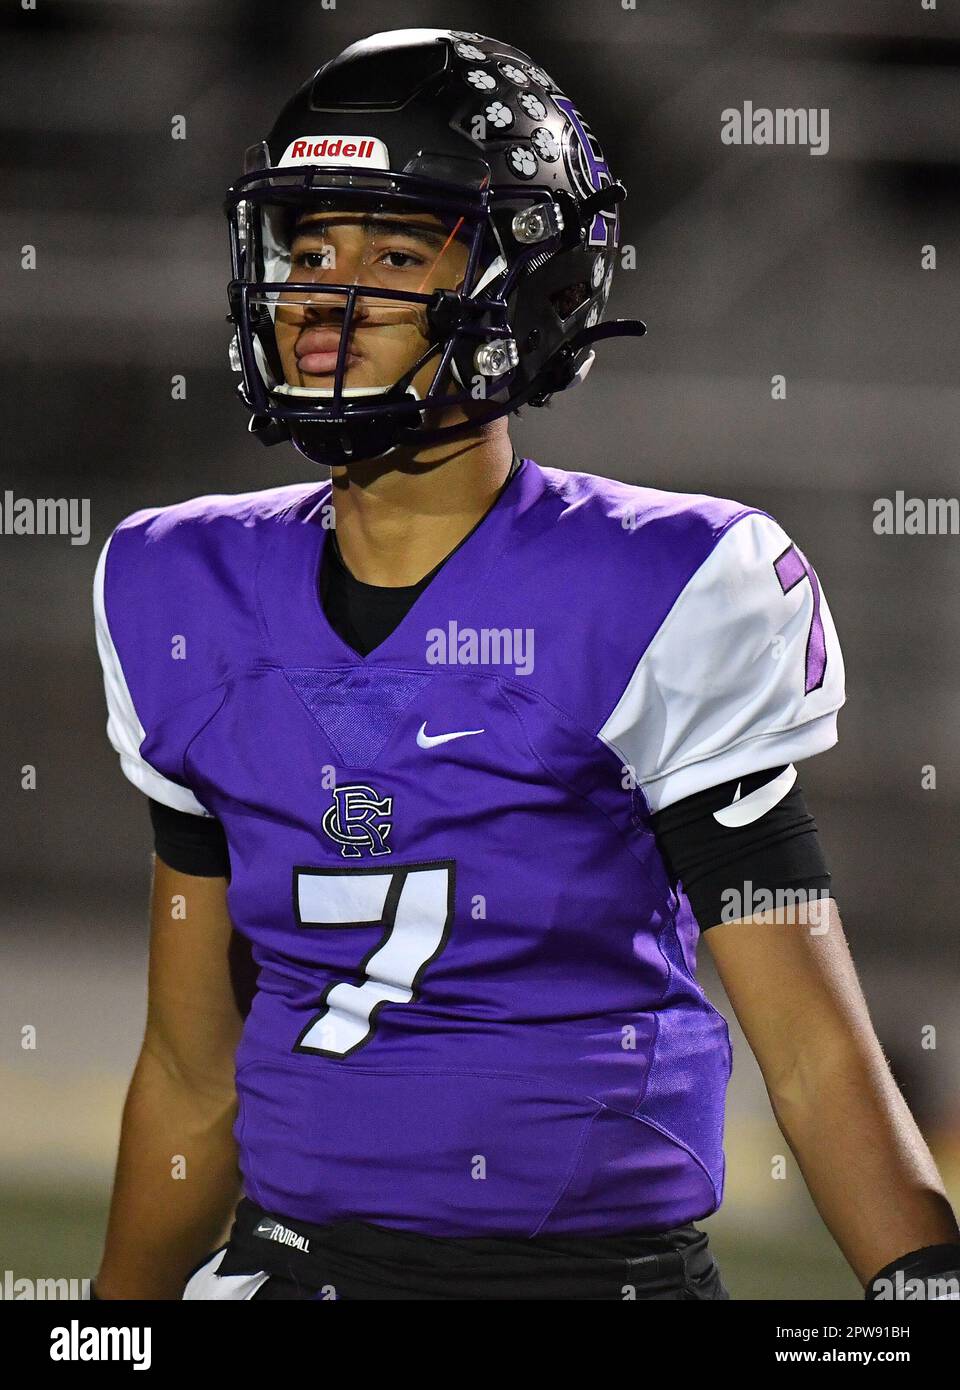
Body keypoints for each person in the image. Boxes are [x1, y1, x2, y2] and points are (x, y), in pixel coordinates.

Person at [91, 28, 960, 1301]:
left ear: (530, 289)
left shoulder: (664, 583)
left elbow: (817, 1053)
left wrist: (923, 1282)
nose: (328, 300)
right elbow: (189, 1066)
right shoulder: (180, 588)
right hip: (295, 1271)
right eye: (310, 249)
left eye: (394, 256)